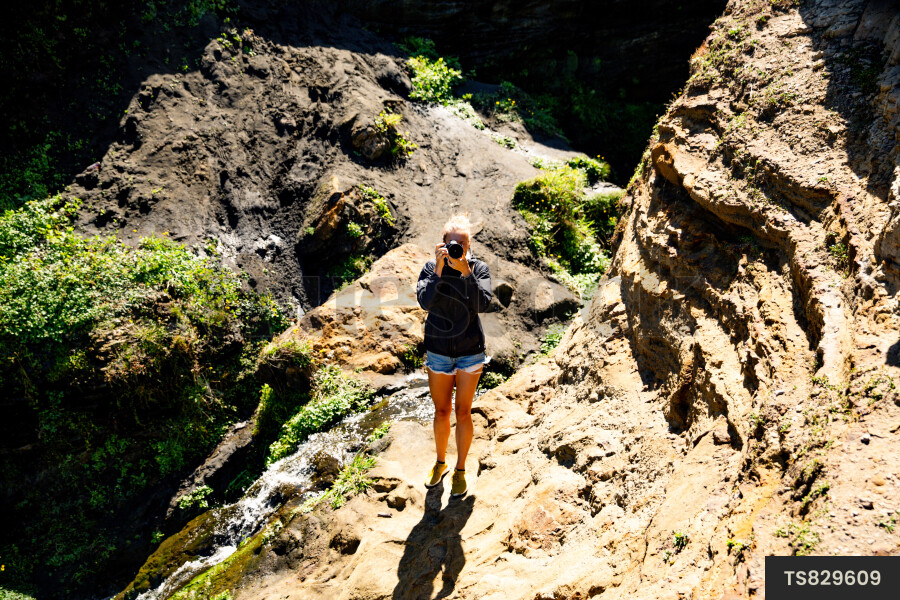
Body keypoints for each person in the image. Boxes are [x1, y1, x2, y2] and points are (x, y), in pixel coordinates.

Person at [416, 213, 492, 497]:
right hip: (438, 351)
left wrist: (465, 271)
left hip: (470, 352)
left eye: (462, 243)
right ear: (443, 243)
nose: (457, 247)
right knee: (441, 411)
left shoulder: (478, 269)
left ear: (469, 244)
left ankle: (460, 469)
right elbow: (426, 302)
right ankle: (440, 462)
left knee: (463, 412)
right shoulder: (429, 268)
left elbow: (482, 303)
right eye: (451, 243)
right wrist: (438, 268)